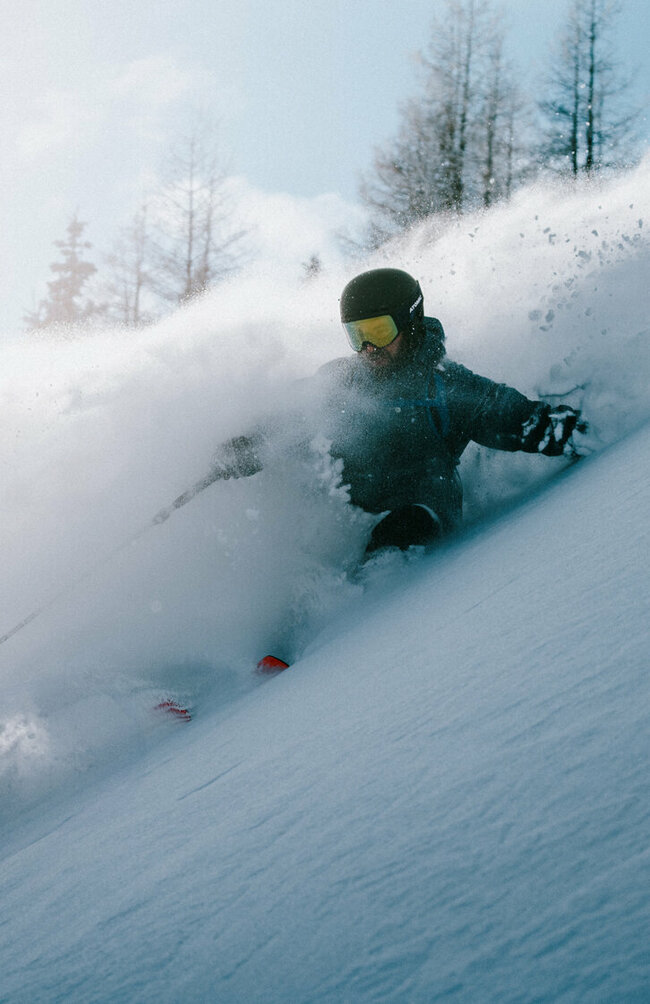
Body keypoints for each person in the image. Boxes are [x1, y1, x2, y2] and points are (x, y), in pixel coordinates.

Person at [155, 267, 584, 554]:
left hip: (421, 506)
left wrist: (562, 428)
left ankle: (358, 632)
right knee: (299, 540)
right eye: (357, 335)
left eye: (379, 330)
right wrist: (244, 447)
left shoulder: (446, 385)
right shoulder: (342, 382)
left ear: (411, 321)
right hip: (351, 505)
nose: (369, 348)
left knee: (395, 533)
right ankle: (278, 644)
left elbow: (509, 414)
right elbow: (291, 419)